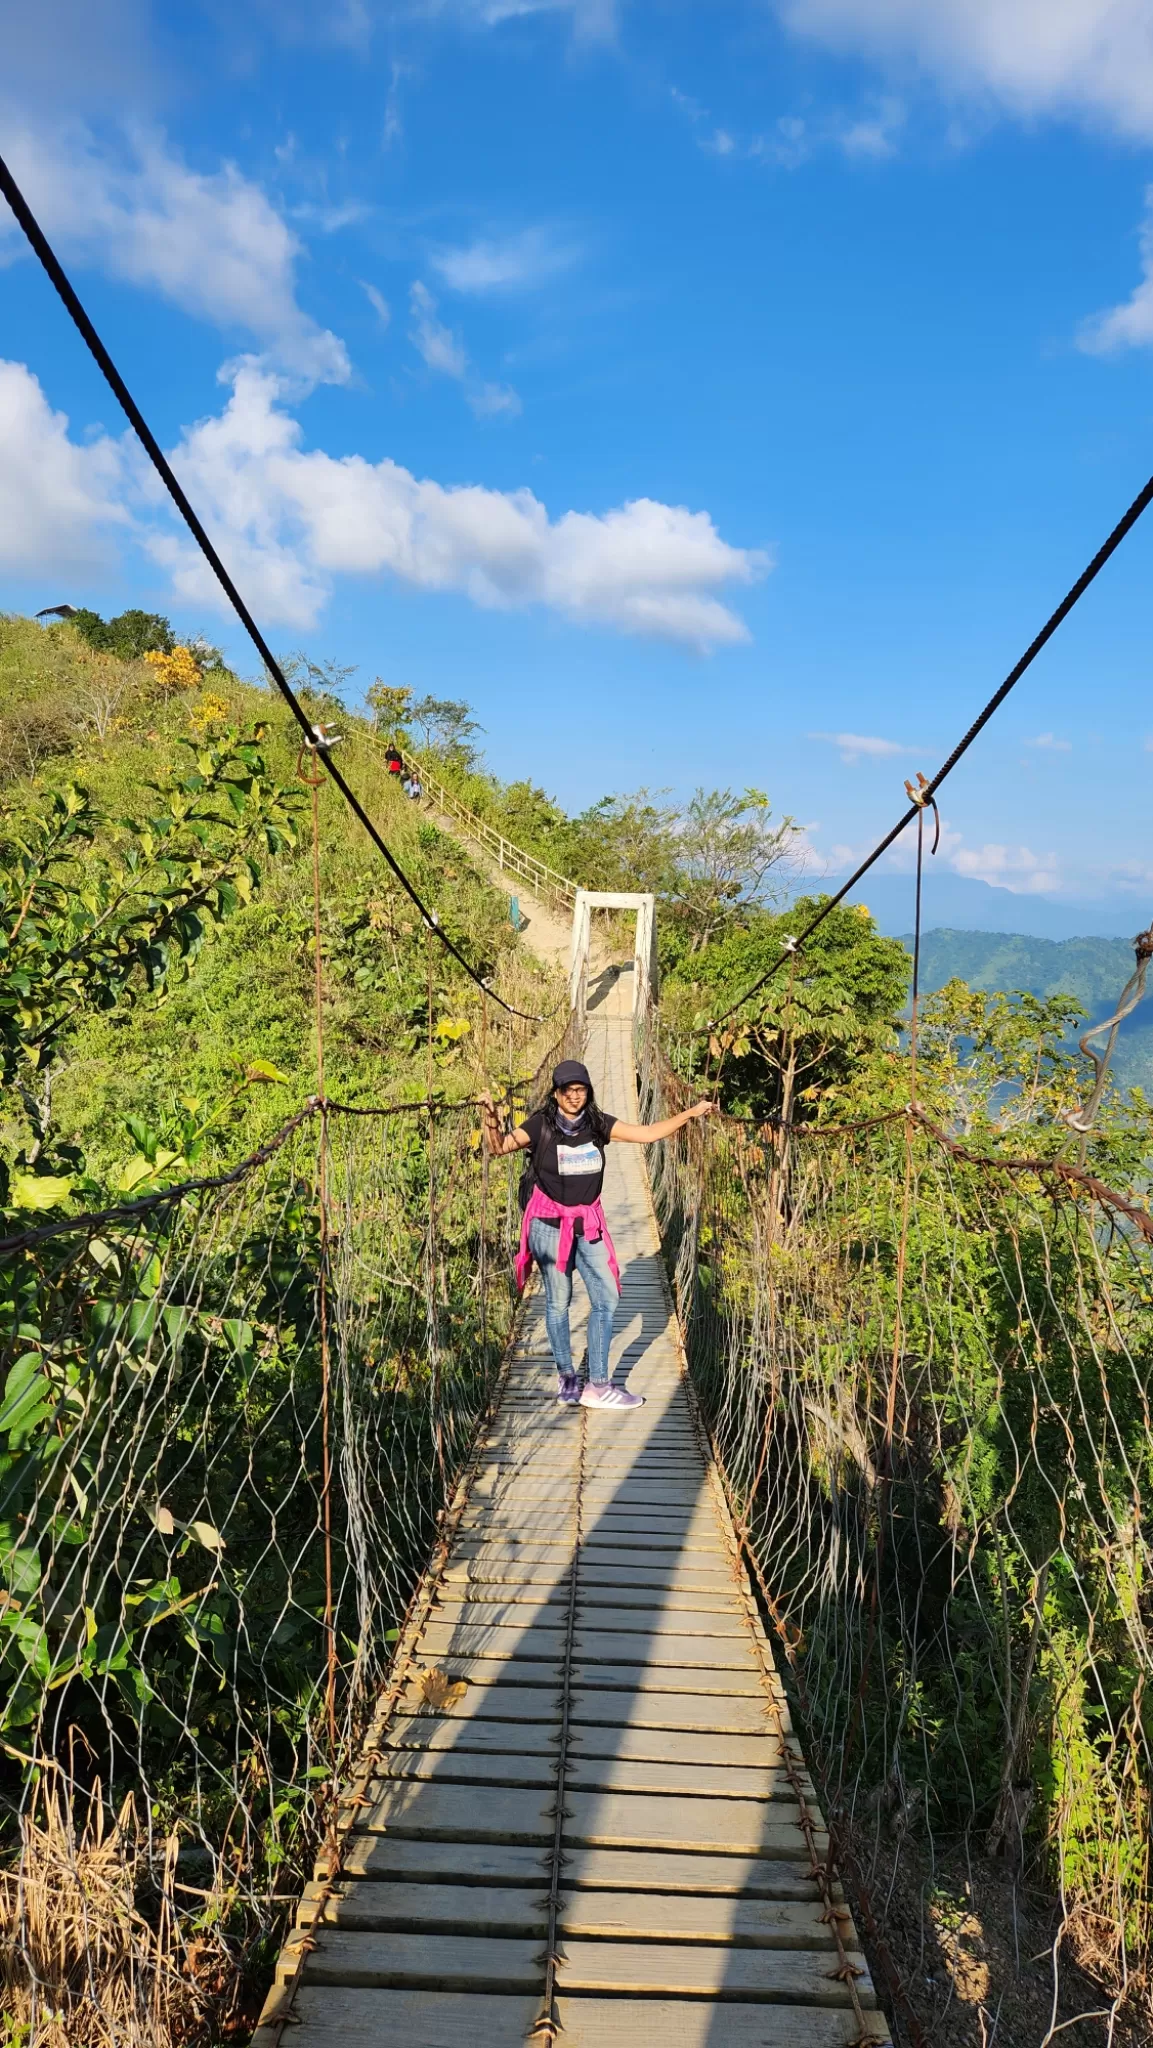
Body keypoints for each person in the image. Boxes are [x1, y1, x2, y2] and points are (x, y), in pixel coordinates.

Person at [480, 1060, 715, 1410]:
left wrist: (690, 1114)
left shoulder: (598, 1124)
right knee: (558, 1301)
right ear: (555, 1094)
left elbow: (647, 1133)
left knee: (607, 1298)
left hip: (588, 1224)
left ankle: (598, 1385)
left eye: (581, 1090)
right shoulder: (540, 1125)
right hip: (548, 1226)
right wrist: (491, 1117)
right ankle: (568, 1379)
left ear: (588, 1092)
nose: (574, 1096)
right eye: (567, 1090)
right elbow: (498, 1147)